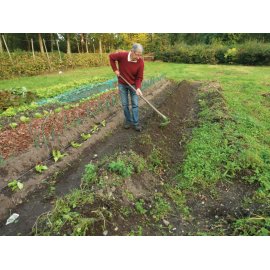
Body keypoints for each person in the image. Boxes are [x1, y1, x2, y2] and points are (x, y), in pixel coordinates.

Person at [109, 43, 144, 131]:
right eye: (137, 54)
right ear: (132, 51)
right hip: (122, 84)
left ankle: (136, 123)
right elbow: (111, 57)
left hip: (133, 85)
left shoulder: (140, 62)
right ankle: (128, 121)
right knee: (125, 105)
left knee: (135, 104)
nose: (139, 57)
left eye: (140, 55)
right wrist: (115, 70)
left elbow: (139, 77)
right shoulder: (122, 56)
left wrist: (138, 88)